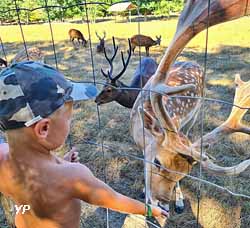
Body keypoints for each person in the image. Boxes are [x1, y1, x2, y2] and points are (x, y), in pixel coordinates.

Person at [0, 61, 168, 228]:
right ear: (44, 128)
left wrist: (62, 162)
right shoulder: (73, 176)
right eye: (69, 118)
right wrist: (151, 210)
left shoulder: (2, 158)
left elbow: (38, 177)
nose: (70, 121)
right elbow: (115, 200)